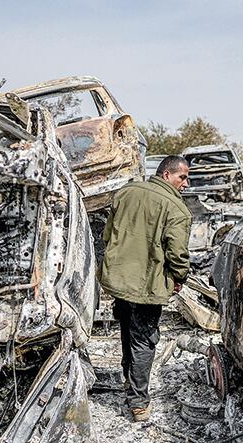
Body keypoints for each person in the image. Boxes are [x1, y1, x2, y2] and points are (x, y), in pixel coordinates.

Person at [99, 155, 192, 421]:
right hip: (147, 285)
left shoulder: (125, 192)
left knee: (128, 332)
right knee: (144, 340)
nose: (186, 183)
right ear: (166, 175)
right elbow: (178, 254)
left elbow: (107, 235)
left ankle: (130, 383)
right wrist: (179, 278)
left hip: (119, 280)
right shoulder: (176, 209)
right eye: (182, 176)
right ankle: (138, 402)